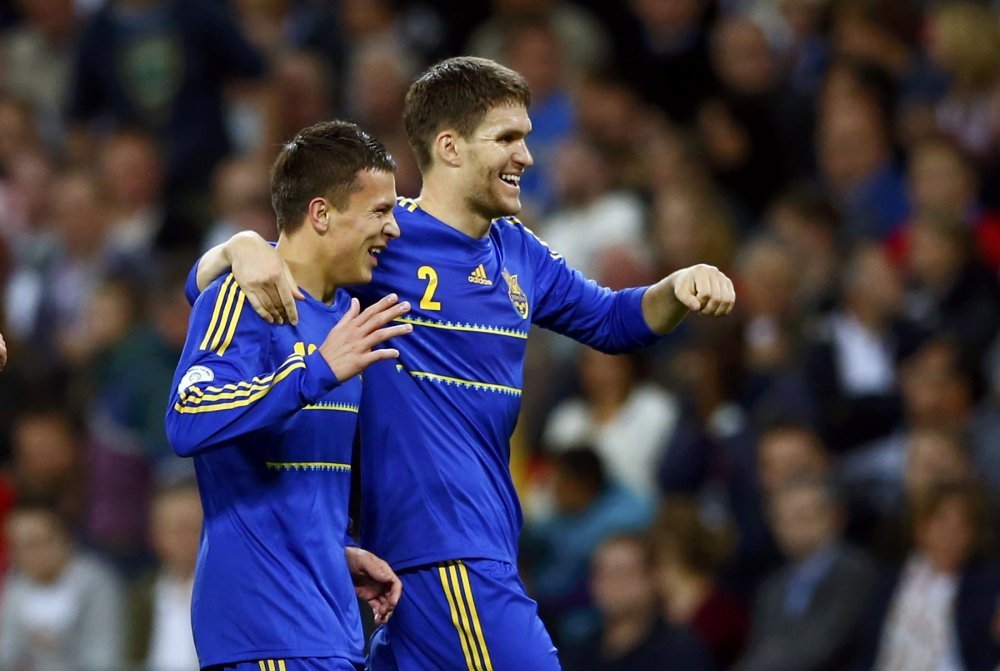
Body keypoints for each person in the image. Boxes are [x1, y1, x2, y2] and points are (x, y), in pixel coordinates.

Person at [192, 57, 735, 670]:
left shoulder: (520, 252)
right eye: (506, 138)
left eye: (526, 137)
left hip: (470, 551)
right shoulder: (384, 237)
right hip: (441, 549)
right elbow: (273, 265)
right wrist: (238, 247)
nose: (526, 156)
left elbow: (613, 321)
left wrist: (678, 286)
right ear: (449, 147)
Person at [165, 120, 409, 671]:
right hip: (263, 629)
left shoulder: (345, 317)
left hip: (330, 626)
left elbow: (293, 476)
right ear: (321, 214)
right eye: (379, 210)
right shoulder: (242, 298)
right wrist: (315, 371)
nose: (393, 228)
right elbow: (186, 417)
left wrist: (332, 552)